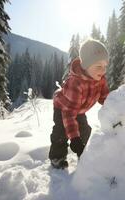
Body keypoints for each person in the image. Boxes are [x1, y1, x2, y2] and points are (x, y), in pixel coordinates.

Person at [49, 39, 109, 169]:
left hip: (79, 110)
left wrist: (117, 108)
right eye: (99, 66)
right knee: (62, 132)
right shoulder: (75, 83)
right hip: (63, 108)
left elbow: (105, 98)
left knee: (85, 130)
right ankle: (57, 157)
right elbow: (69, 114)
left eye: (105, 66)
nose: (103, 70)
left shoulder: (100, 79)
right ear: (86, 65)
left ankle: (84, 154)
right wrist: (75, 139)